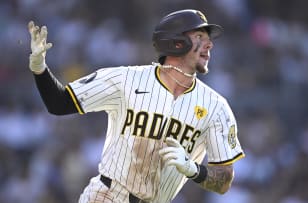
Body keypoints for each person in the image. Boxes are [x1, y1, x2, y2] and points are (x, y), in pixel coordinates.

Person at [28, 9, 245, 203]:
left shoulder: (216, 107)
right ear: (177, 42)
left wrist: (193, 169)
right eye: (200, 37)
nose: (210, 44)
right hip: (108, 196)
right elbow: (59, 103)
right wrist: (40, 68)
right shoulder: (126, 79)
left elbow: (224, 182)